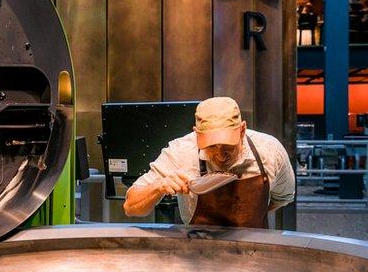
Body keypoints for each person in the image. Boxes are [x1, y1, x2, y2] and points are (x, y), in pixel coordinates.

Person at [123, 97, 295, 227]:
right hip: (199, 253)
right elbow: (131, 206)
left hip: (254, 251)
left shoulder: (271, 152)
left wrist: (250, 217)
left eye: (227, 146)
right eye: (211, 146)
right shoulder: (181, 152)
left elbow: (283, 197)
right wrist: (158, 187)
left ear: (242, 130)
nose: (220, 156)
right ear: (197, 134)